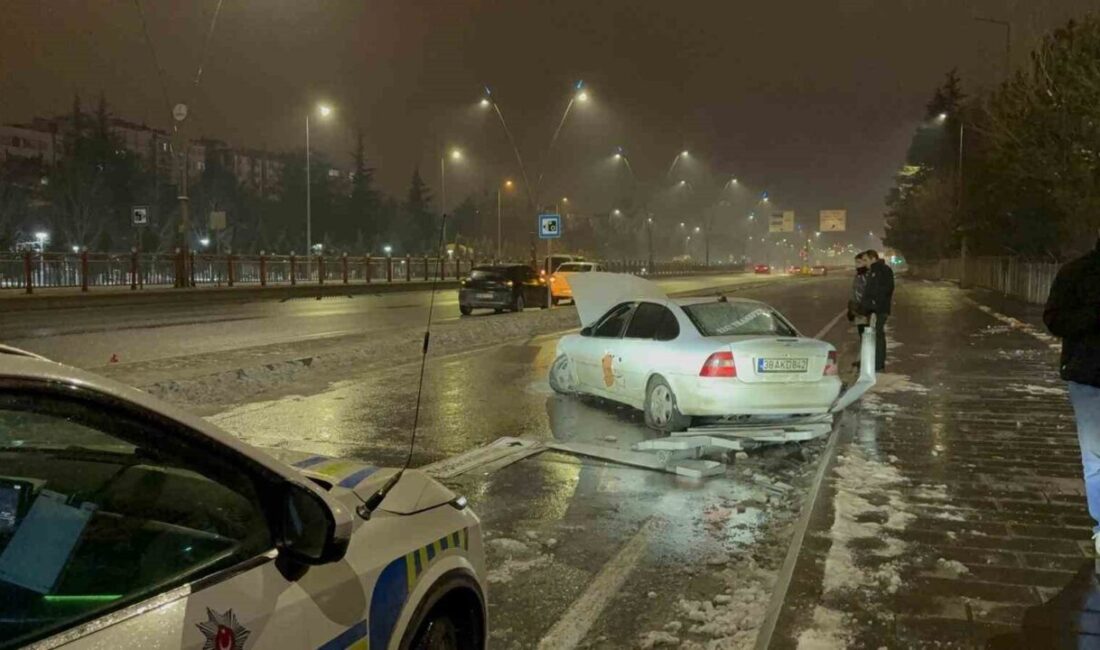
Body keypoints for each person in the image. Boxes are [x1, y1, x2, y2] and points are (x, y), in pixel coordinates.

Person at [1043, 232, 1100, 553]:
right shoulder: (1077, 272)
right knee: (1096, 454)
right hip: (1089, 376)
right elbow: (1054, 319)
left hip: (1086, 372)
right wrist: (1093, 314)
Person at [859, 249, 894, 371]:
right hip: (874, 309)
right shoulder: (873, 271)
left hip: (879, 309)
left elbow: (885, 289)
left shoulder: (882, 270)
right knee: (875, 335)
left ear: (873, 258)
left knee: (878, 335)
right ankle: (875, 361)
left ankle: (878, 363)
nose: (864, 263)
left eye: (866, 260)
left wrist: (874, 304)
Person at [847, 252, 870, 367]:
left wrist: (863, 309)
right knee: (862, 336)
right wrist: (850, 308)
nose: (856, 264)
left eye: (859, 262)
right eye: (856, 262)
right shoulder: (859, 275)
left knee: (865, 336)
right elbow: (854, 293)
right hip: (858, 310)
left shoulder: (866, 276)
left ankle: (865, 361)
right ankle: (862, 359)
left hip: (864, 311)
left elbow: (866, 293)